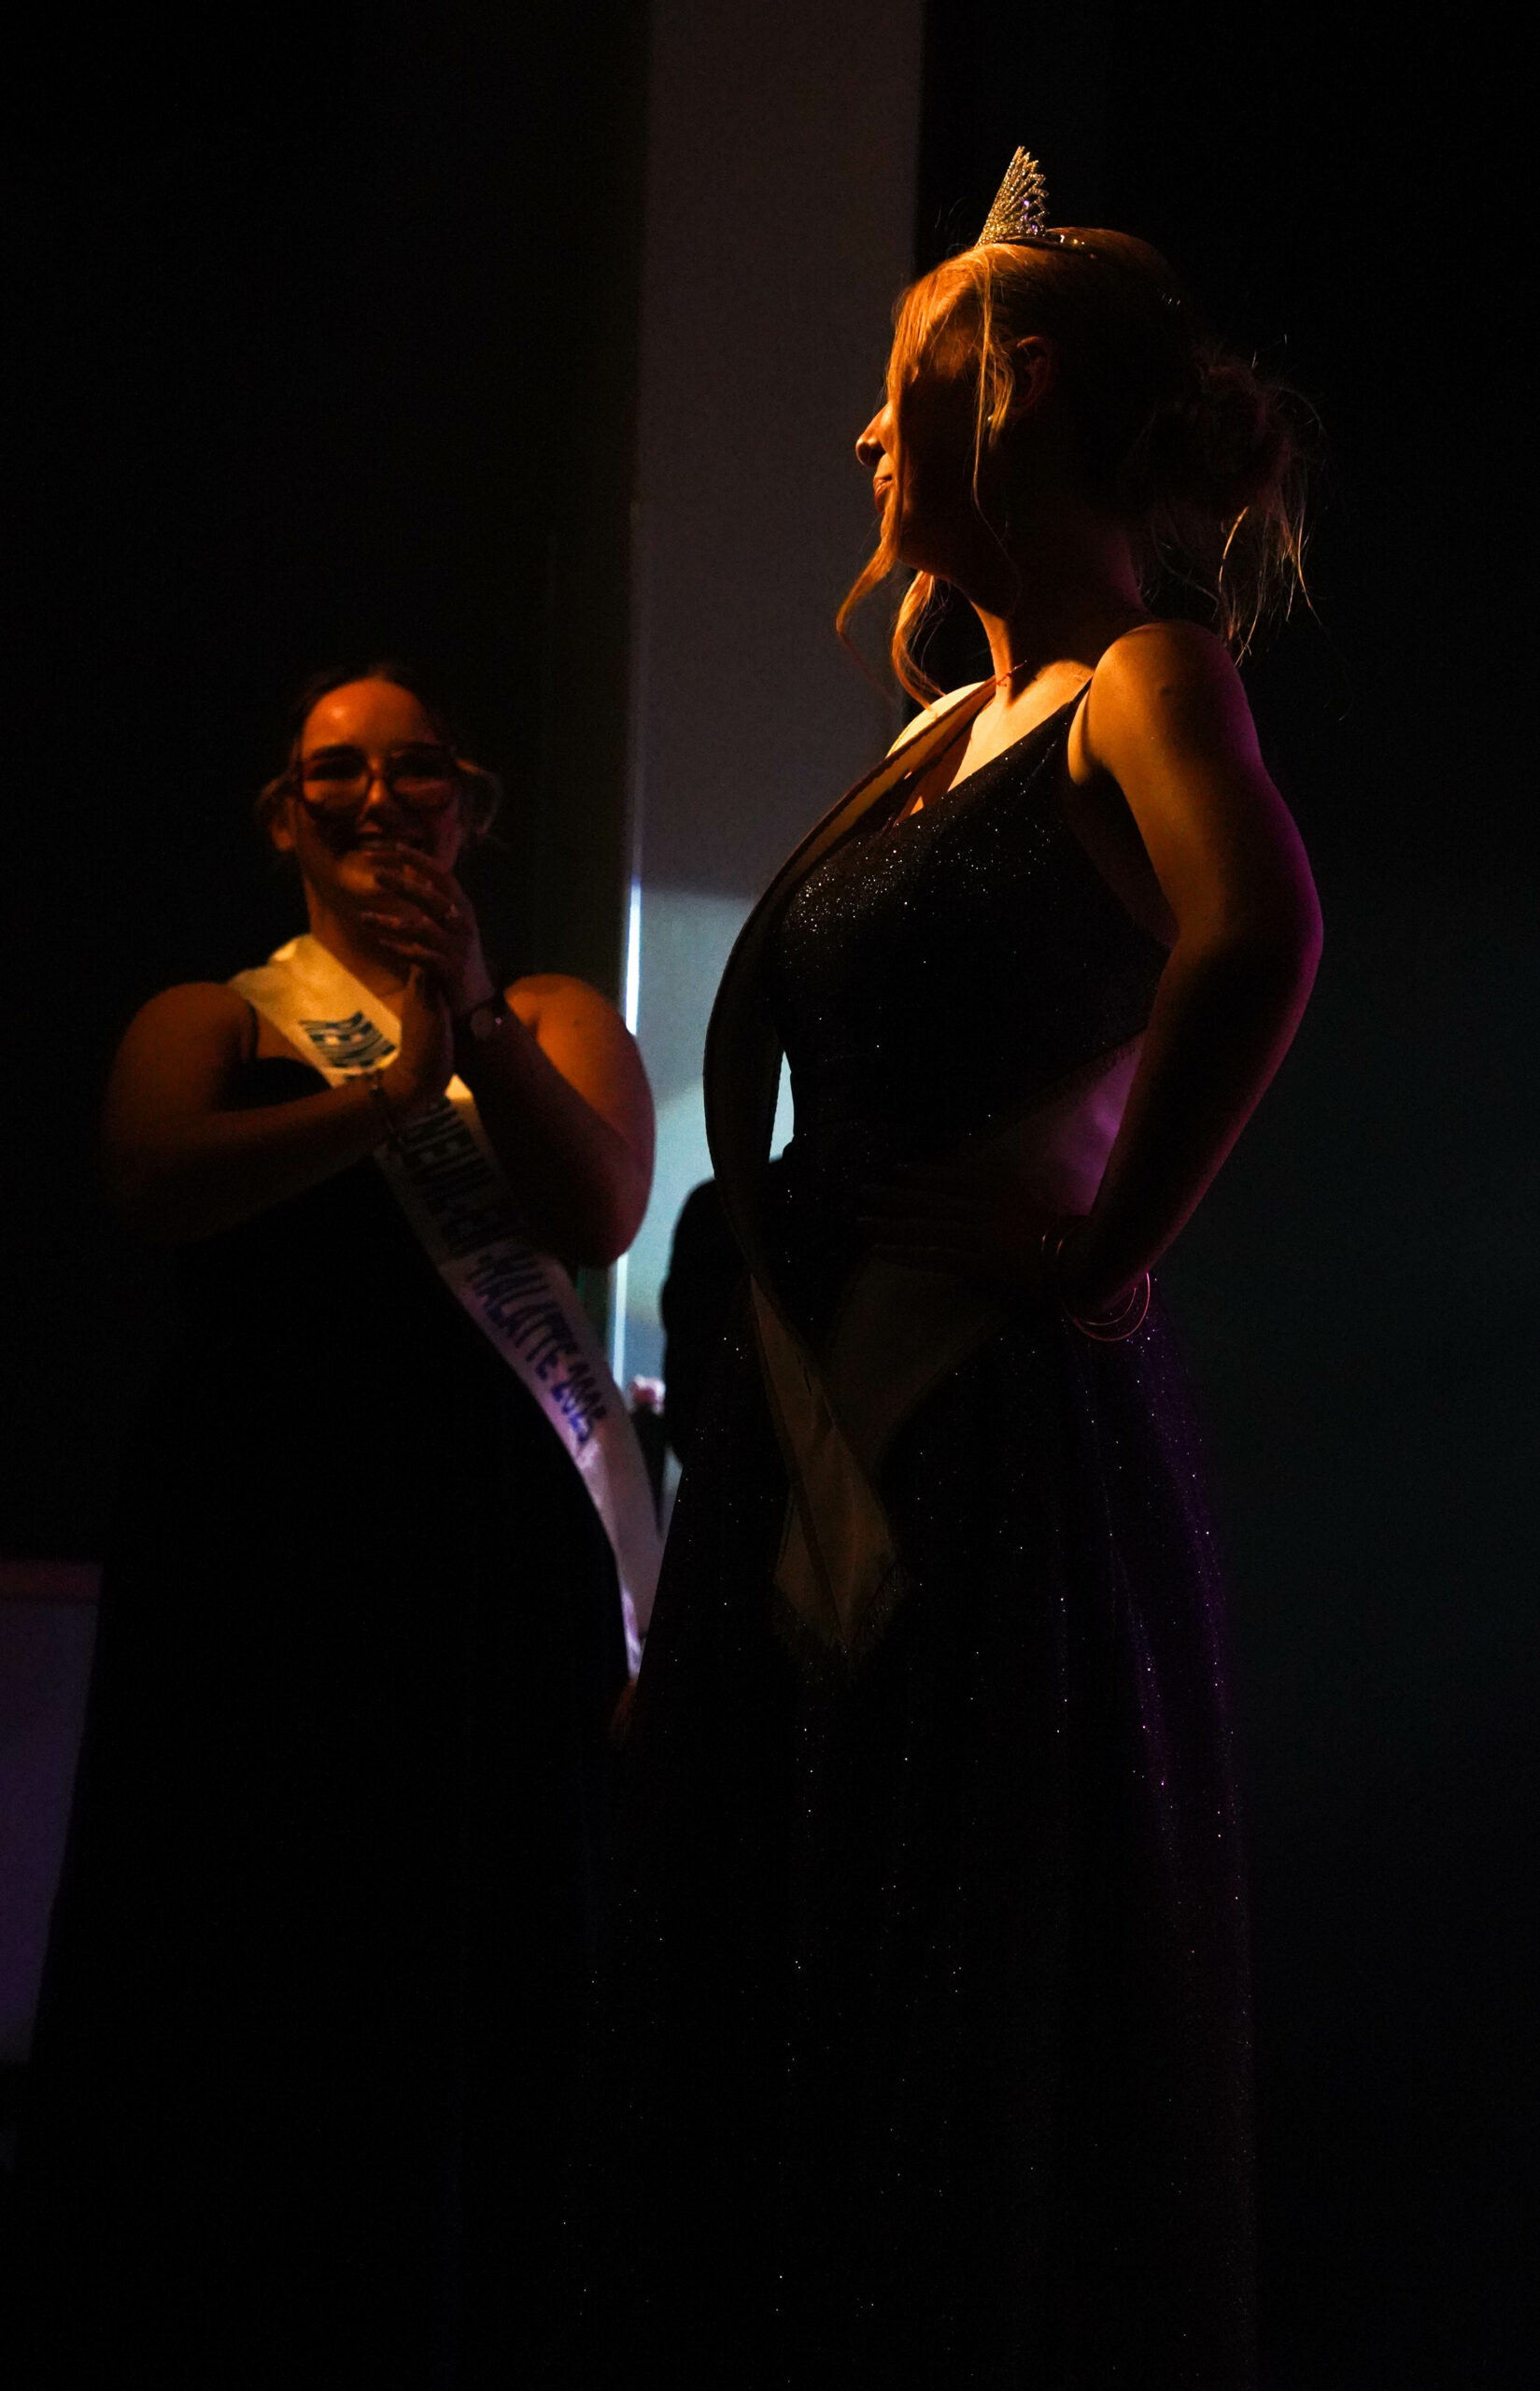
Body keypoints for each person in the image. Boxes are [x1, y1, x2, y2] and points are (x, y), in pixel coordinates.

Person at [588, 153, 1321, 2386]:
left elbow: (1260, 934)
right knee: (798, 1990)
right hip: (826, 1458)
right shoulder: (932, 740)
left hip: (988, 1462)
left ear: (1014, 398)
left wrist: (1104, 1250)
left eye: (902, 381)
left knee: (959, 2000)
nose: (862, 432)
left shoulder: (1143, 682)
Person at [15, 664, 657, 2388]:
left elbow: (597, 1207)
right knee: (256, 1956)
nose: (378, 796)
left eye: (415, 768)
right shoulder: (214, 1017)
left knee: (486, 1956)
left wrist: (473, 1022)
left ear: (470, 807)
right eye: (335, 771)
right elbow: (153, 1178)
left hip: (491, 1571)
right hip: (266, 1561)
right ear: (284, 817)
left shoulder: (548, 1012)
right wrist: (387, 1097)